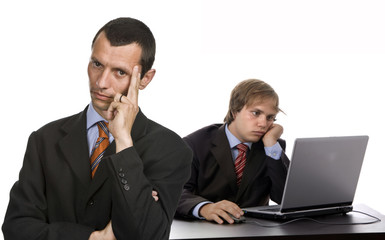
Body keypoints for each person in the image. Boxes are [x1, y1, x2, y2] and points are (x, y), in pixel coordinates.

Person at [2, 17, 192, 240]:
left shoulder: (171, 149)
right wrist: (91, 238)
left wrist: (123, 142)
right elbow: (16, 228)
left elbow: (150, 235)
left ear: (145, 79)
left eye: (119, 72)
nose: (101, 82)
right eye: (97, 64)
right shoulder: (45, 139)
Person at [176, 79, 290, 224]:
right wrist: (204, 208)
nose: (263, 124)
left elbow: (284, 198)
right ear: (235, 111)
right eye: (256, 113)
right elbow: (174, 191)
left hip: (256, 231)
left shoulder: (272, 147)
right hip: (206, 230)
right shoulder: (194, 144)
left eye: (270, 117)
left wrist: (271, 144)